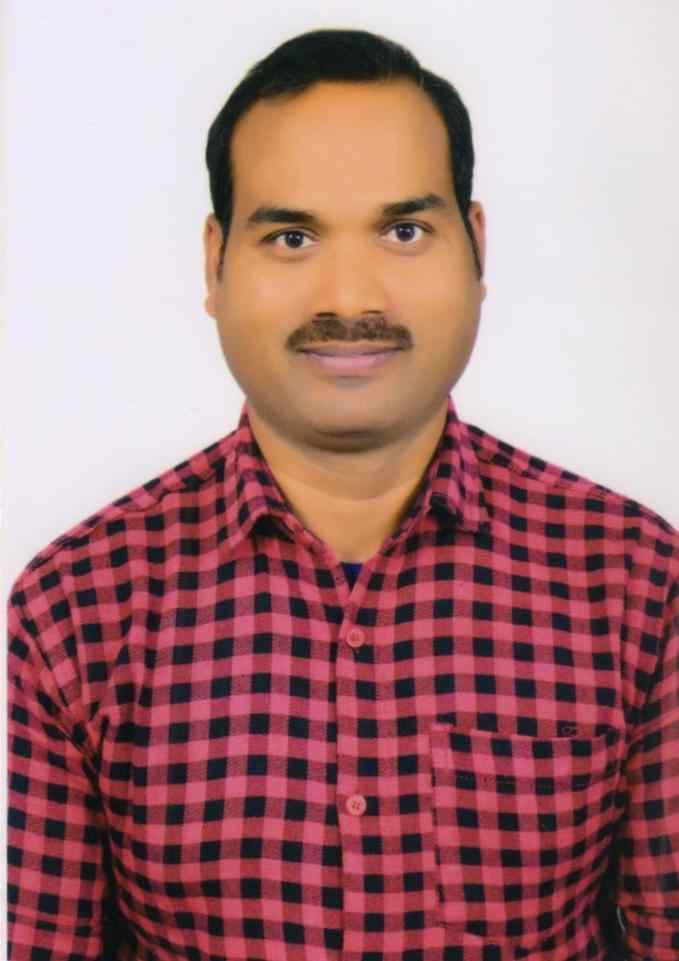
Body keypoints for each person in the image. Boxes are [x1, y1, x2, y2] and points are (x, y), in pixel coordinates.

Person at [7, 26, 678, 961]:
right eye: (291, 236)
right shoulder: (74, 608)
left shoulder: (635, 581)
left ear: (475, 248)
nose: (351, 296)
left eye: (403, 231)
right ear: (215, 262)